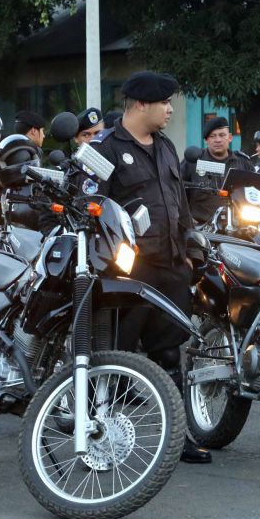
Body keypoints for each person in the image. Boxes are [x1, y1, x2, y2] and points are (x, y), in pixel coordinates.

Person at [90, 71, 211, 465]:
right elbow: (90, 208)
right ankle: (97, 429)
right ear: (141, 104)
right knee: (116, 352)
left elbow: (179, 204)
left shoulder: (165, 146)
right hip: (129, 270)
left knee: (170, 352)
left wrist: (189, 250)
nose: (170, 110)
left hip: (170, 264)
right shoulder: (104, 148)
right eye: (165, 103)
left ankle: (177, 435)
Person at [180, 116, 252, 224]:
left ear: (230, 137)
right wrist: (186, 216)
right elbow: (175, 189)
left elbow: (257, 192)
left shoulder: (243, 163)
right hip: (201, 227)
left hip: (238, 226)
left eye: (222, 135)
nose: (218, 140)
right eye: (212, 136)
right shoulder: (194, 161)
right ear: (206, 140)